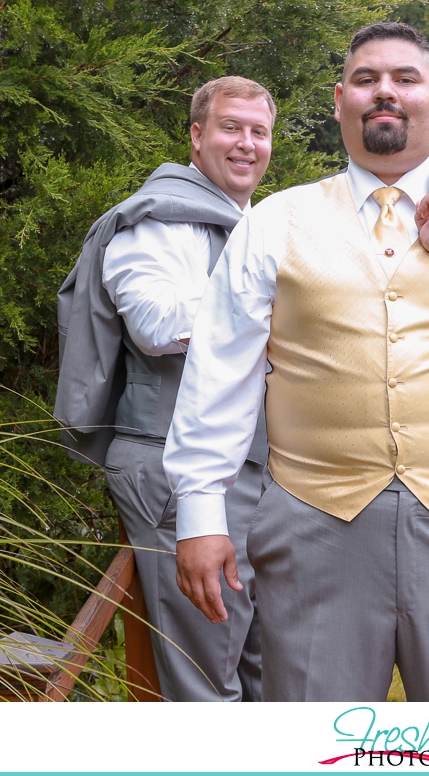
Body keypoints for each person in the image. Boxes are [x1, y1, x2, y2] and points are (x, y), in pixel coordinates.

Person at [163, 22, 429, 702]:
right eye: (365, 80)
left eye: (405, 78)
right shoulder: (275, 221)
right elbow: (219, 376)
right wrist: (200, 516)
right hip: (313, 530)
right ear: (339, 101)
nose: (384, 93)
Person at [54, 76, 275, 701]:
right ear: (197, 135)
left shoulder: (249, 224)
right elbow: (156, 326)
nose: (246, 144)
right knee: (206, 683)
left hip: (246, 470)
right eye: (231, 127)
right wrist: (266, 297)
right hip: (172, 465)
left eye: (259, 132)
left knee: (263, 672)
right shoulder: (156, 221)